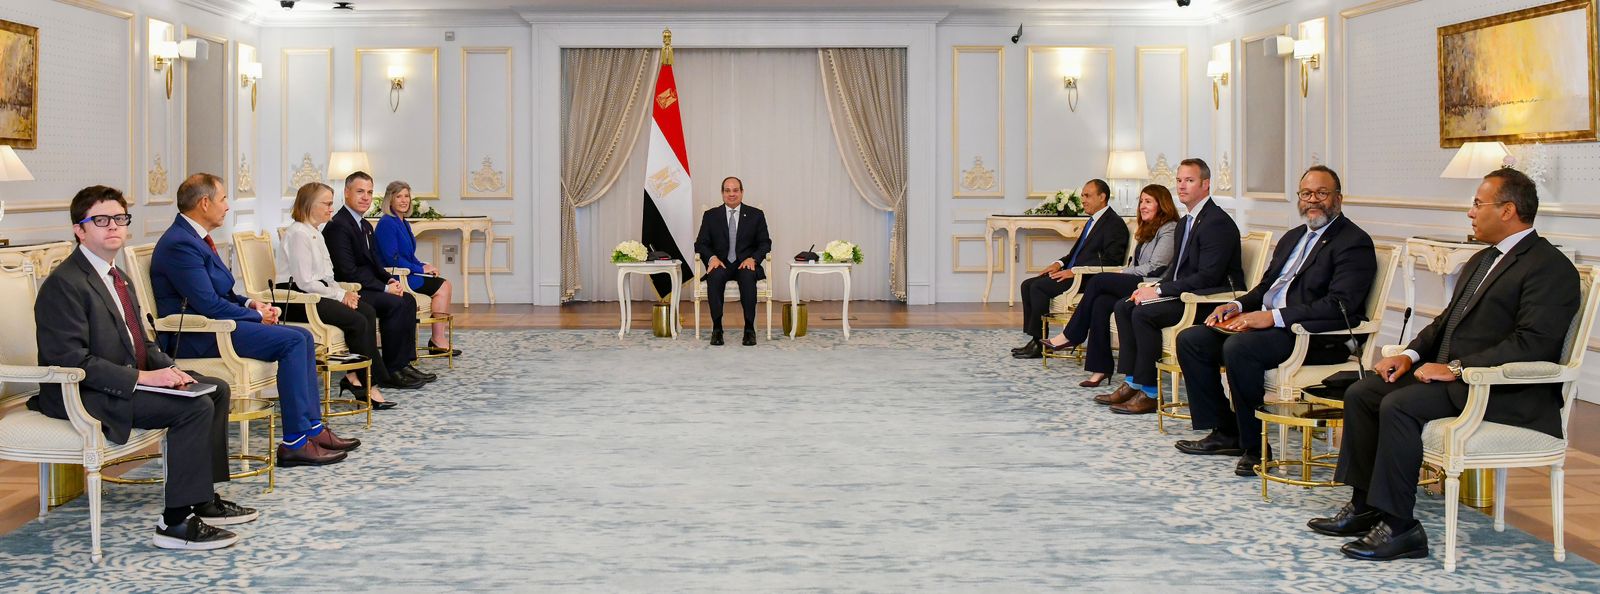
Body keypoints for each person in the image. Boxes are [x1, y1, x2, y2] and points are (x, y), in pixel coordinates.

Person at [1307, 167, 1579, 562]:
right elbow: (1444, 323)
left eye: (1478, 203)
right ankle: (1365, 506)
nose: (1470, 212)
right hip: (1458, 380)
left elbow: (1533, 343)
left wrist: (1456, 367)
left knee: (1398, 405)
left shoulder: (1549, 267)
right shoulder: (1483, 258)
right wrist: (1409, 355)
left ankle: (1401, 528)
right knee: (1364, 392)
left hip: (1502, 390)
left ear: (1507, 210)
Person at [32, 185, 257, 550]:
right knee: (193, 408)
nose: (113, 226)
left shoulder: (117, 276)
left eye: (119, 219)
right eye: (100, 220)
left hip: (123, 379)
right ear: (79, 230)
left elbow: (142, 342)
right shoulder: (65, 284)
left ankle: (202, 499)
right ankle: (175, 523)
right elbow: (70, 361)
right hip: (83, 393)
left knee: (215, 389)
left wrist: (171, 371)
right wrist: (143, 378)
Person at [1173, 166, 1377, 476]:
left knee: (1240, 348)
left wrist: (1272, 317)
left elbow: (1340, 305)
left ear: (1338, 198)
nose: (1313, 200)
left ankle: (1255, 447)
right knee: (1193, 339)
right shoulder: (1293, 237)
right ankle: (1227, 431)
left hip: (1313, 335)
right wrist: (1235, 305)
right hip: (1272, 327)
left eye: (1321, 193)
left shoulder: (1353, 242)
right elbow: (1266, 287)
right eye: (1306, 194)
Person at [150, 173, 358, 467]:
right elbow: (208, 304)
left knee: (303, 337)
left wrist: (251, 303)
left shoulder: (196, 238)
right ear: (204, 203)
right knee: (293, 340)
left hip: (219, 326)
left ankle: (313, 430)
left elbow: (221, 293)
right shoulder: (179, 244)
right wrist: (257, 316)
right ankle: (295, 442)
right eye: (224, 199)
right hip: (198, 335)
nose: (227, 206)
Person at [1101, 158, 1245, 414]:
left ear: (1206, 184)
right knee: (1125, 305)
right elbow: (1176, 270)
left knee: (1143, 313)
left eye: (1189, 180)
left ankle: (1150, 392)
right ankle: (1133, 381)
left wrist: (1158, 291)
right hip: (1185, 292)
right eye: (1179, 180)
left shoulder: (1216, 222)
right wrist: (1151, 287)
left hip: (1208, 300)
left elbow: (1208, 277)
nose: (1181, 186)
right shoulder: (1186, 222)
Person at [281, 181, 408, 408]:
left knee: (366, 310)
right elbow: (305, 282)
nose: (332, 208)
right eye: (327, 204)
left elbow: (327, 277)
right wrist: (340, 296)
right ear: (309, 205)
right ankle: (370, 383)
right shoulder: (299, 233)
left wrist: (344, 293)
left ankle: (355, 376)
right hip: (298, 299)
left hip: (316, 293)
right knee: (357, 319)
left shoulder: (314, 232)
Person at [1040, 185, 1180, 385]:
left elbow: (1156, 267)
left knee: (1098, 280)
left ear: (1162, 204)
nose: (1142, 206)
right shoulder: (1148, 228)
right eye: (1141, 201)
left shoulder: (1169, 228)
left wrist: (1121, 273)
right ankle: (1100, 368)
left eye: (1148, 202)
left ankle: (1071, 334)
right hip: (1138, 279)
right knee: (1101, 303)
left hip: (1150, 284)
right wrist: (1125, 271)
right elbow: (1137, 264)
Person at [322, 171, 435, 388]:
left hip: (367, 284)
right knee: (394, 303)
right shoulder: (338, 225)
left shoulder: (364, 225)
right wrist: (384, 288)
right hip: (350, 289)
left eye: (369, 192)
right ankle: (391, 371)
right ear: (346, 193)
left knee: (407, 300)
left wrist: (390, 280)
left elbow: (375, 263)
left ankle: (403, 364)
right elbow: (347, 272)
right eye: (360, 192)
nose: (366, 197)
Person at [1011, 179, 1130, 359]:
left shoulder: (1114, 224)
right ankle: (1035, 339)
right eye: (1082, 195)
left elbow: (1111, 261)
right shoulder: (1092, 221)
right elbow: (1075, 253)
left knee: (1038, 287)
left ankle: (1039, 343)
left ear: (1102, 197)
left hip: (1087, 278)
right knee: (1027, 284)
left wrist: (1074, 271)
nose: (1083, 200)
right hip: (1071, 273)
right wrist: (1058, 264)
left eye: (1087, 196)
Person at [373, 180, 458, 356]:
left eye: (406, 196)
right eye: (399, 196)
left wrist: (423, 266)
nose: (404, 200)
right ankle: (437, 340)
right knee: (444, 287)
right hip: (396, 276)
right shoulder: (387, 223)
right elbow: (392, 258)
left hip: (408, 271)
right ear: (390, 199)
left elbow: (409, 256)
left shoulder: (402, 222)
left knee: (443, 283)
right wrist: (418, 269)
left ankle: (438, 339)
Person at [693, 176, 772, 346]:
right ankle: (717, 329)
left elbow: (765, 243)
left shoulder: (756, 215)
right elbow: (700, 244)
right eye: (727, 190)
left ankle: (749, 329)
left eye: (735, 190)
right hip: (721, 263)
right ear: (722, 193)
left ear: (742, 192)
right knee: (714, 275)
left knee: (748, 275)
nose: (731, 194)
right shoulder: (711, 215)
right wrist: (712, 258)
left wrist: (753, 259)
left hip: (745, 263)